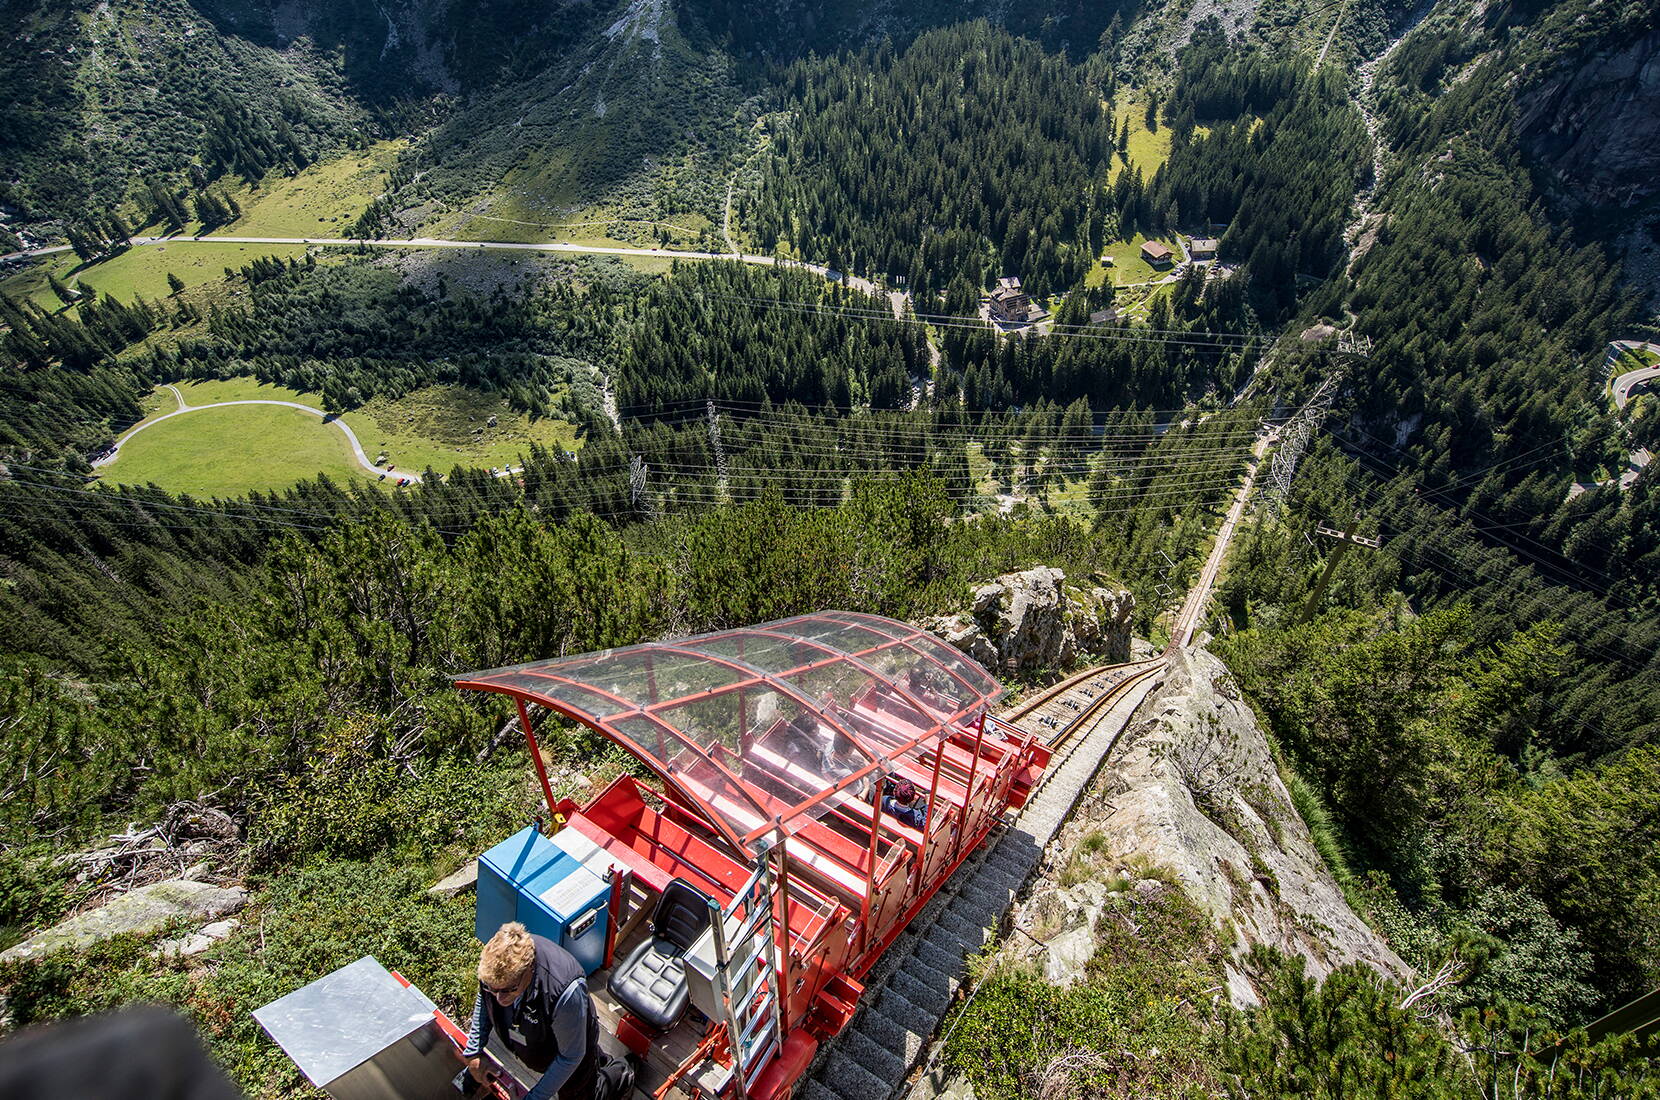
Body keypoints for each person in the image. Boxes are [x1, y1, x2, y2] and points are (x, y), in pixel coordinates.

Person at [459, 922, 634, 1100]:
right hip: (548, 1040)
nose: (499, 999)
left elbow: (570, 1056)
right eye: (492, 989)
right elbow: (485, 996)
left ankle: (624, 1074)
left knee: (585, 1093)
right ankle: (600, 1063)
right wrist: (474, 1050)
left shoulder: (563, 990)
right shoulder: (495, 965)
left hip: (567, 1048)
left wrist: (534, 1098)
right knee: (585, 1055)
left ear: (529, 969)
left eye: (508, 990)